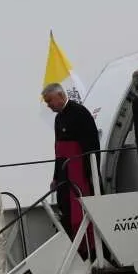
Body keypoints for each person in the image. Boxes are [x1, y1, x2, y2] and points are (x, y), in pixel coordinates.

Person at [42, 83, 102, 261]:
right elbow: (57, 151)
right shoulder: (58, 119)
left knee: (83, 214)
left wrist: (91, 172)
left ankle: (91, 252)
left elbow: (92, 146)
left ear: (60, 95)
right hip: (64, 175)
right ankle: (77, 253)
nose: (48, 105)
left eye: (49, 101)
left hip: (81, 173)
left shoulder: (80, 113)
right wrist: (54, 177)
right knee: (67, 214)